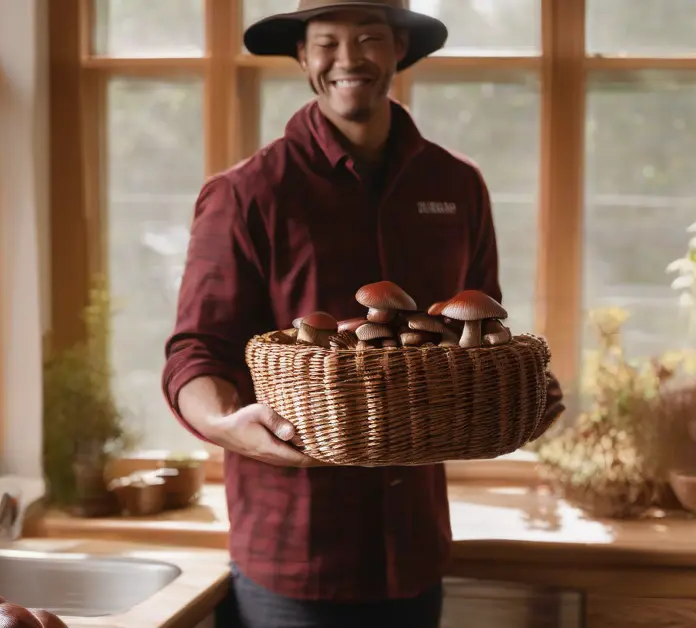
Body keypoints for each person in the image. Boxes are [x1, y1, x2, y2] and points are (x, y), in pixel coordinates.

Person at [161, 1, 565, 626]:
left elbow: (479, 338)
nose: (348, 59)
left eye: (370, 38)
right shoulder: (248, 193)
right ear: (301, 56)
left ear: (398, 49)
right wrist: (222, 425)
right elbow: (196, 349)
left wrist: (516, 396)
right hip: (294, 557)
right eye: (326, 42)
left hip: (416, 549)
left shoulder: (456, 186)